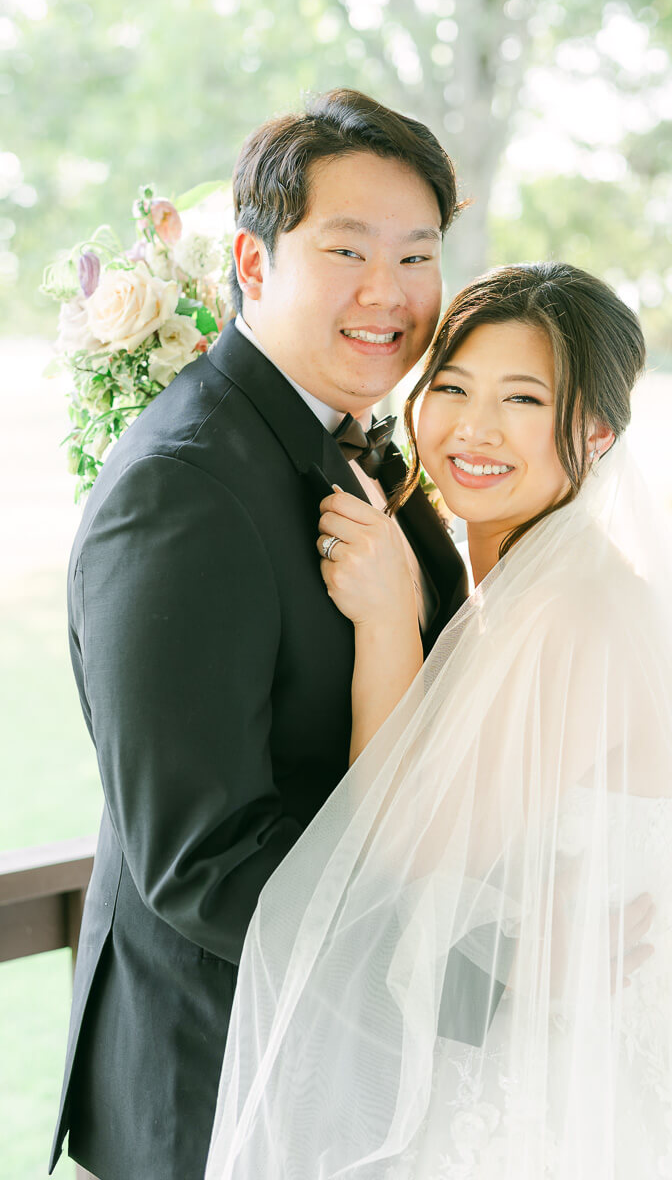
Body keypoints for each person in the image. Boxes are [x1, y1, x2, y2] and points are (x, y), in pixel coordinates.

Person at [207, 263, 672, 1178]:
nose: (474, 428)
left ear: (597, 434)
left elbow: (394, 850)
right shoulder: (531, 578)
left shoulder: (574, 608)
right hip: (518, 1051)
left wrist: (387, 622)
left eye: (523, 398)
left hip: (551, 1097)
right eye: (451, 386)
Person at [49, 89, 471, 1180]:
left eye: (417, 256)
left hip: (331, 1079)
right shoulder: (186, 485)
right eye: (347, 250)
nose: (389, 293)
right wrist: (472, 979)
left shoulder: (338, 439)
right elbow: (202, 858)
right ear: (250, 259)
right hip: (221, 1093)